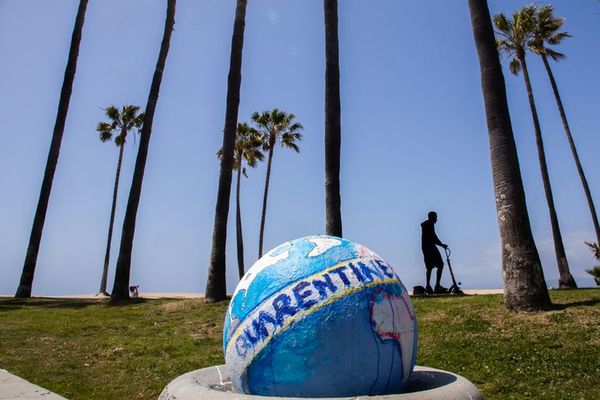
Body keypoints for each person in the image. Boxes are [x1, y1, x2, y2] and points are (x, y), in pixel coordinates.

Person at [421, 211, 448, 294]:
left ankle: (428, 285)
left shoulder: (426, 225)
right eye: (435, 217)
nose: (436, 219)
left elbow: (433, 237)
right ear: (431, 217)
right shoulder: (430, 224)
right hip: (430, 247)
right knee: (440, 265)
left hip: (426, 248)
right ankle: (437, 286)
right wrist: (442, 245)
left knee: (429, 267)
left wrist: (440, 244)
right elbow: (434, 237)